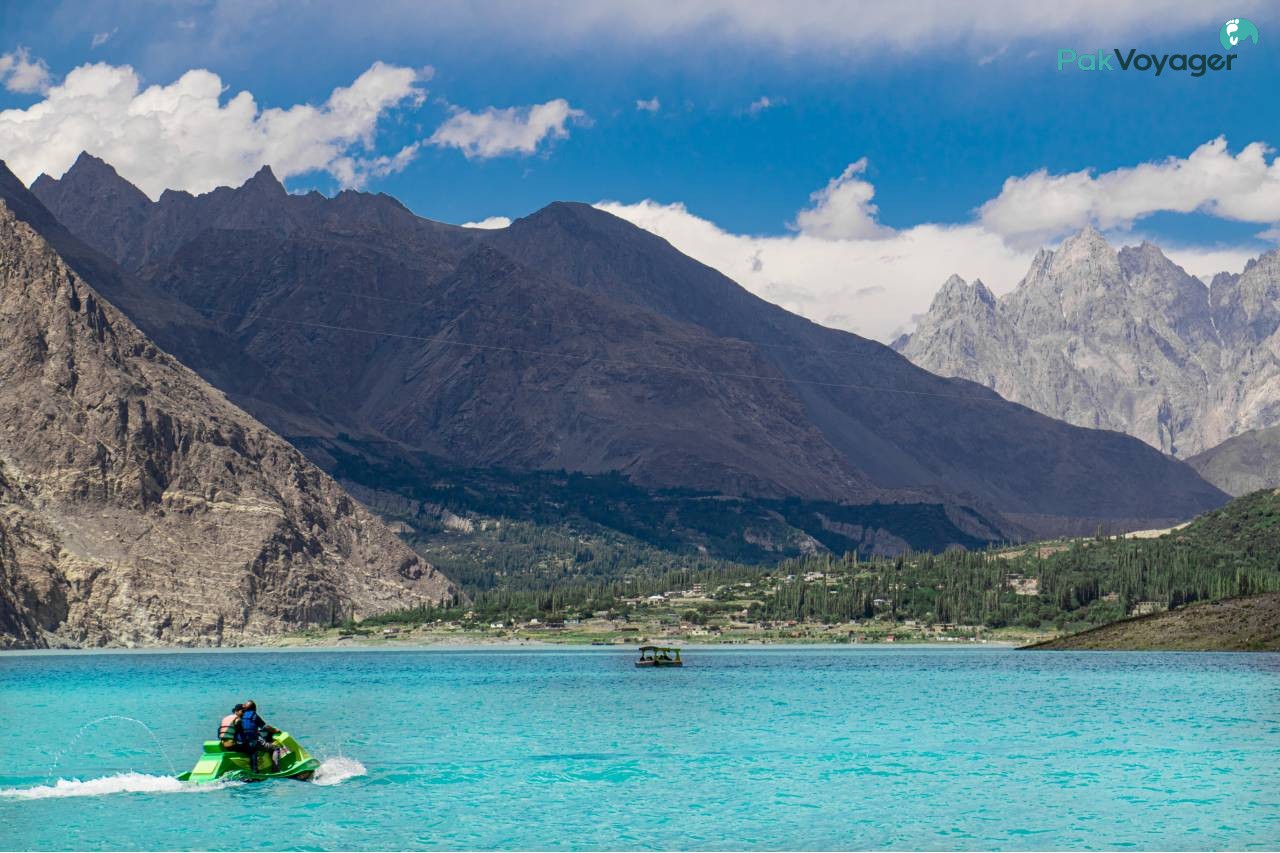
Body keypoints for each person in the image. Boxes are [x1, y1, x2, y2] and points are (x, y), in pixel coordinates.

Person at [238, 699, 284, 773]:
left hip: (242, 742)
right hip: (252, 742)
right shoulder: (254, 715)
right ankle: (276, 770)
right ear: (255, 708)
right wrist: (275, 730)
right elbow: (265, 727)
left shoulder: (241, 716)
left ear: (245, 708)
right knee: (276, 748)